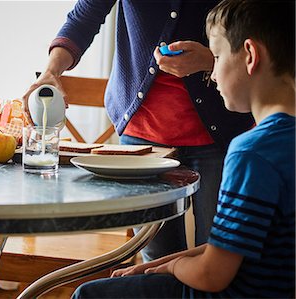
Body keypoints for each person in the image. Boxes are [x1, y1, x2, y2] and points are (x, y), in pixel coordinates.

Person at [72, 0, 295, 297]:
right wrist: (159, 266)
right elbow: (231, 248)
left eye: (216, 56)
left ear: (250, 56)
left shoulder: (249, 153)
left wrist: (173, 269)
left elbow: (213, 275)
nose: (212, 75)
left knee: (88, 294)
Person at [22, 1, 254, 262]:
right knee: (155, 257)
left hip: (221, 132)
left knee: (217, 255)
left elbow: (259, 34)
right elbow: (85, 16)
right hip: (142, 138)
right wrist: (51, 71)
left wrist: (211, 61)